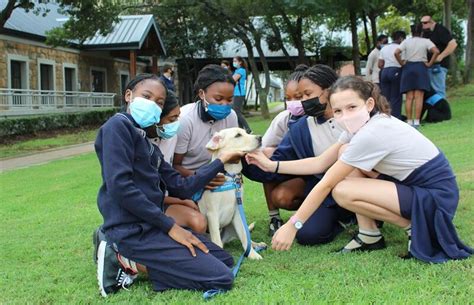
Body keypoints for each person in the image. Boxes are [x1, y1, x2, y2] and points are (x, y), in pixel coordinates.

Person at [246, 75, 472, 263]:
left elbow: (326, 182)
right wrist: (271, 164)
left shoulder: (372, 132)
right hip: (413, 188)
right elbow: (320, 162)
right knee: (343, 155)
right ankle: (370, 235)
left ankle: (417, 228)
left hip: (435, 198)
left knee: (341, 190)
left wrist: (292, 225)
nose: (345, 115)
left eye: (352, 107)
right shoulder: (361, 125)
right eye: (338, 111)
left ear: (370, 104)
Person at [94, 73, 244, 297]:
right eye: (147, 96)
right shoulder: (117, 127)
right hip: (132, 230)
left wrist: (220, 161)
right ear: (128, 96)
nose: (153, 105)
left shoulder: (148, 145)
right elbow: (120, 187)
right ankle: (120, 257)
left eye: (159, 102)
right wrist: (171, 227)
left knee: (224, 258)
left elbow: (182, 187)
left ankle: (141, 264)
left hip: (152, 226)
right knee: (221, 277)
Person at [243, 64, 352, 244]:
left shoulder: (351, 117)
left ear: (328, 90)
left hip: (358, 183)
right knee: (308, 234)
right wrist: (242, 159)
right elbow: (276, 164)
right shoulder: (301, 128)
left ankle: (362, 217)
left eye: (307, 95)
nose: (303, 101)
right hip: (324, 193)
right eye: (301, 97)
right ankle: (340, 219)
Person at [150, 90, 208, 234]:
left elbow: (172, 176)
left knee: (199, 221)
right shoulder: (141, 143)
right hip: (148, 204)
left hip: (165, 200)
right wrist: (180, 201)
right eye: (172, 119)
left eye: (178, 117)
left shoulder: (171, 137)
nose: (176, 124)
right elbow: (147, 194)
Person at [260, 64, 307, 235]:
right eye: (288, 98)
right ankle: (274, 218)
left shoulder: (319, 118)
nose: (293, 103)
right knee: (267, 156)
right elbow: (265, 147)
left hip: (316, 173)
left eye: (299, 96)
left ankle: (318, 211)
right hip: (292, 171)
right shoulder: (284, 118)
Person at [173, 64, 238, 183]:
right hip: (188, 179)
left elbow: (231, 155)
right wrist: (202, 178)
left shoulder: (231, 116)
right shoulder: (185, 119)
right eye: (218, 99)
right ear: (202, 94)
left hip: (218, 176)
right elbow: (175, 165)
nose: (224, 104)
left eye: (229, 100)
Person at [395, 23, 439, 128]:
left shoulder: (406, 42)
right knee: (419, 96)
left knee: (409, 97)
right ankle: (417, 121)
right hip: (421, 67)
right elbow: (436, 51)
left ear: (411, 32)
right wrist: (429, 63)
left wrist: (402, 63)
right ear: (422, 31)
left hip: (408, 67)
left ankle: (409, 121)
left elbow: (396, 52)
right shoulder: (426, 41)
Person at [421, 15, 458, 98]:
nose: (423, 25)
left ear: (431, 22)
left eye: (425, 23)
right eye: (422, 23)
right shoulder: (425, 33)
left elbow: (453, 44)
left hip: (438, 66)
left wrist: (441, 56)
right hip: (428, 65)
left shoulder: (440, 30)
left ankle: (442, 110)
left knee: (438, 90)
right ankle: (434, 110)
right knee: (430, 92)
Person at [378, 30, 406, 119]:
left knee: (385, 96)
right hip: (396, 70)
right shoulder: (401, 48)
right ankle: (396, 117)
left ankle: (385, 115)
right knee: (396, 96)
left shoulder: (384, 48)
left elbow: (380, 64)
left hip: (385, 71)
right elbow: (404, 60)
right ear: (401, 38)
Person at [232, 56, 252, 134]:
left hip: (239, 94)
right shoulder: (237, 70)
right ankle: (241, 129)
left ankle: (247, 129)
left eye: (235, 61)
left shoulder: (241, 70)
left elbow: (232, 80)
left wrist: (232, 80)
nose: (234, 62)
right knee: (235, 112)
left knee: (236, 111)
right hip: (235, 93)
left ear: (240, 62)